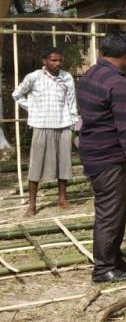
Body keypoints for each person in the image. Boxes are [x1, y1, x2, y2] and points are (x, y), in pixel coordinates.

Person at [77, 29, 126, 283]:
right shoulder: (117, 82)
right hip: (108, 156)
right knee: (109, 212)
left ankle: (115, 259)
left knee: (117, 208)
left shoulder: (90, 74)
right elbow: (125, 127)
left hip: (94, 152)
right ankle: (103, 268)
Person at [12, 47, 79, 217]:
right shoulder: (34, 77)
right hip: (41, 125)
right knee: (36, 165)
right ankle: (32, 205)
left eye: (59, 60)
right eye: (53, 60)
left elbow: (71, 102)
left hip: (63, 125)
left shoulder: (67, 77)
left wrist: (73, 122)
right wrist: (32, 108)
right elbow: (17, 94)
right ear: (45, 61)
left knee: (63, 164)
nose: (57, 63)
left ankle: (62, 199)